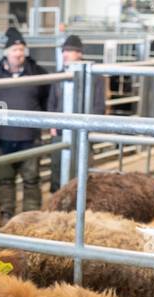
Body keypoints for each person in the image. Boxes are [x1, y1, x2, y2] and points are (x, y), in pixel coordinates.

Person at [0, 31, 51, 226]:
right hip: (2, 138)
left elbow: (47, 97)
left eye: (21, 49)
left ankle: (31, 217)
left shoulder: (37, 72)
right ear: (6, 52)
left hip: (30, 137)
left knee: (31, 179)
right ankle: (6, 213)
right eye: (15, 49)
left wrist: (44, 121)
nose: (19, 53)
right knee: (5, 179)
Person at [46, 34, 107, 192]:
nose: (65, 54)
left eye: (70, 51)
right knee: (57, 167)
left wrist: (89, 125)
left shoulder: (95, 77)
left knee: (82, 167)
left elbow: (99, 105)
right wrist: (52, 123)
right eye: (64, 51)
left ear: (80, 53)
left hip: (83, 131)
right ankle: (57, 199)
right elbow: (52, 102)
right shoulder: (60, 74)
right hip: (60, 130)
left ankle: (81, 199)